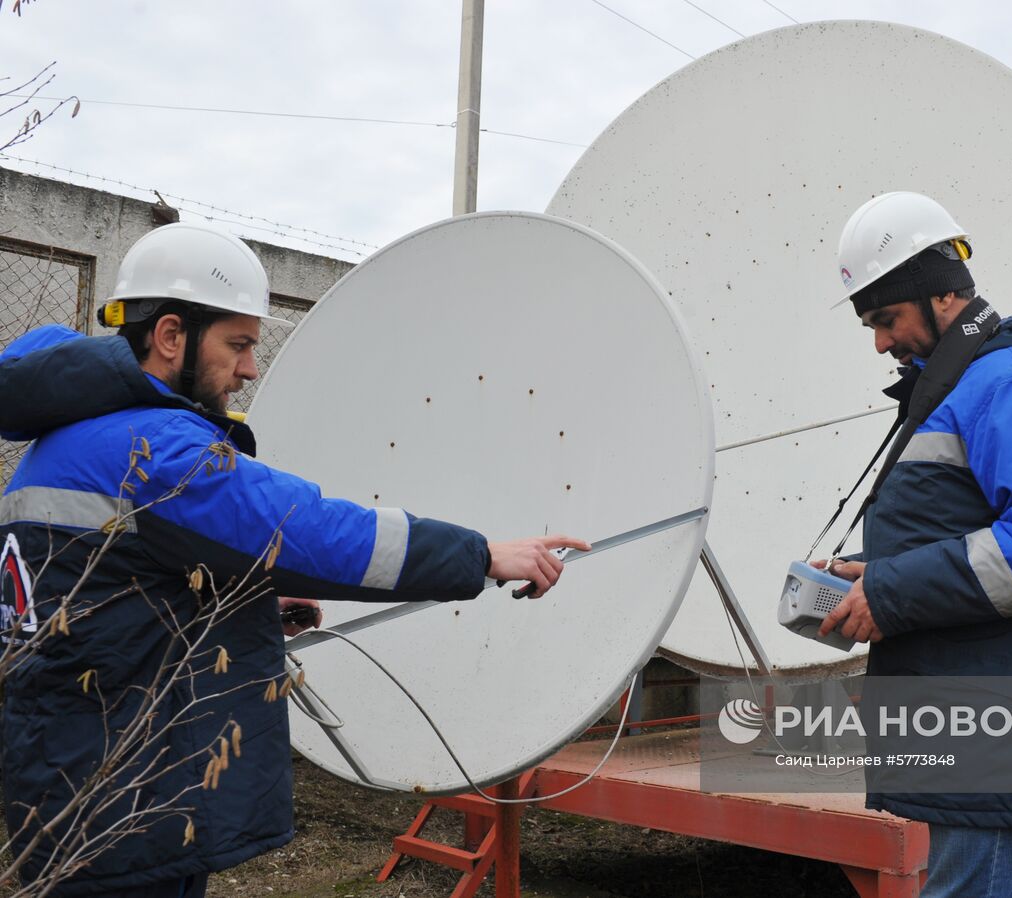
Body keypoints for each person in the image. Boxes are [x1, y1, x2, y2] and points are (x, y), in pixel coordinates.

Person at [0, 221, 588, 897]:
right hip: (124, 808)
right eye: (240, 344)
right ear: (169, 337)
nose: (250, 368)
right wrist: (482, 554)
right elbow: (311, 532)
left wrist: (233, 600)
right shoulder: (156, 451)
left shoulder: (62, 442)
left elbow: (110, 592)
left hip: (66, 775)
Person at [816, 192, 1012, 897]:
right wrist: (874, 573)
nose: (880, 343)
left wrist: (892, 593)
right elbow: (964, 531)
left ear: (941, 296)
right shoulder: (965, 382)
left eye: (886, 319)